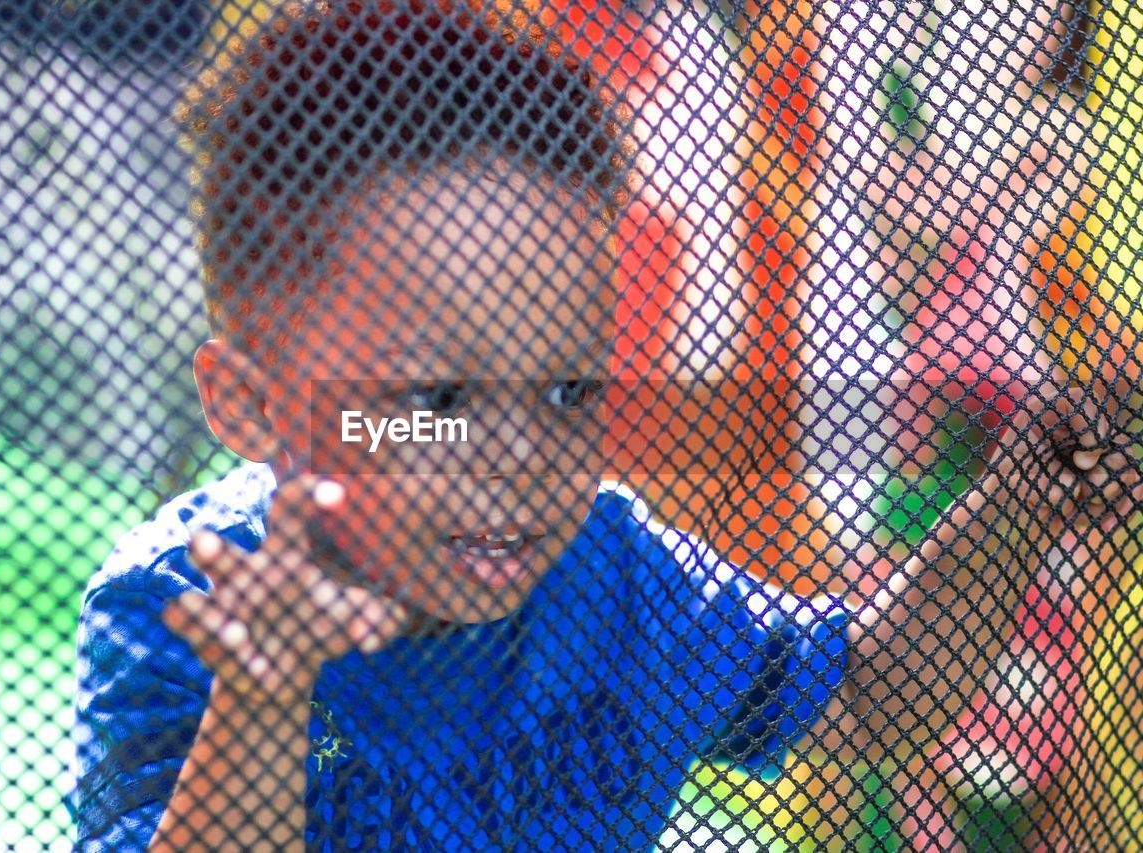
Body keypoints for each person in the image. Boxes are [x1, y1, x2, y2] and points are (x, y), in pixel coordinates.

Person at [67, 1, 1142, 850]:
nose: (521, 459)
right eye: (436, 403)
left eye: (568, 392)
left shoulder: (617, 576)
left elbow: (872, 702)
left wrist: (1019, 505)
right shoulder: (184, 606)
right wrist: (263, 695)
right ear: (253, 405)